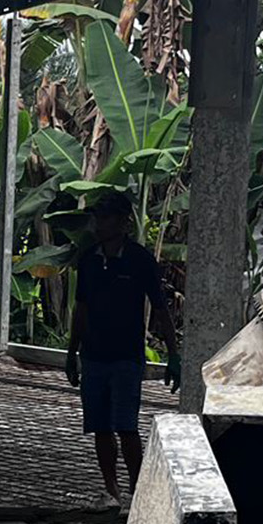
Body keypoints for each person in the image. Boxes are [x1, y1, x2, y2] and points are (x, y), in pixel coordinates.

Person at [63, 189, 179, 508]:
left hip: (127, 356)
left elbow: (160, 309)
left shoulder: (140, 261)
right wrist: (72, 353)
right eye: (98, 218)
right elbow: (81, 309)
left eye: (106, 218)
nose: (99, 224)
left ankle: (137, 490)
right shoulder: (89, 260)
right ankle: (112, 490)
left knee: (126, 426)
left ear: (123, 222)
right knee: (100, 426)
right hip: (93, 355)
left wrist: (173, 354)